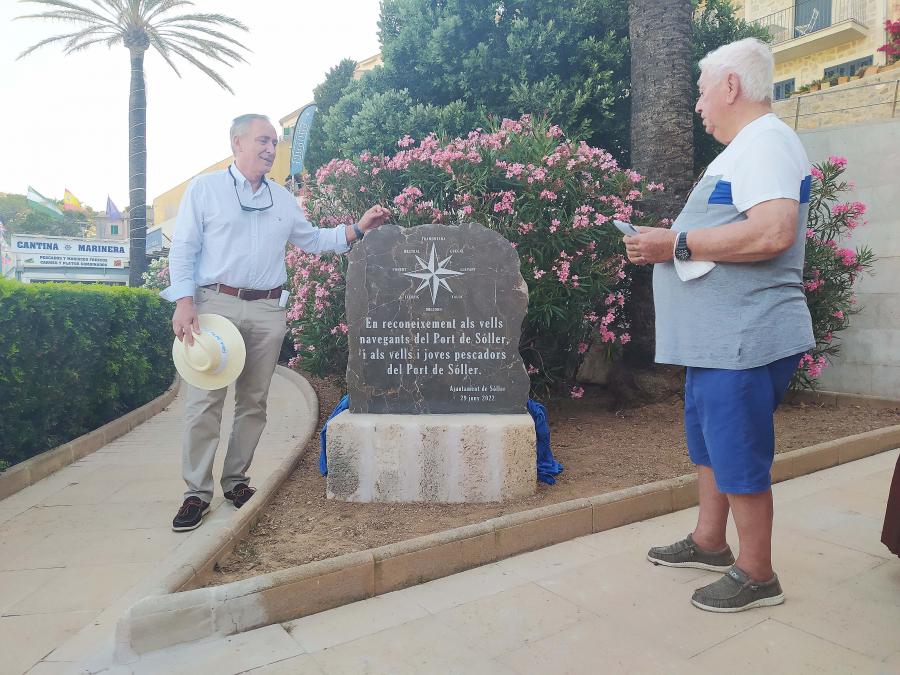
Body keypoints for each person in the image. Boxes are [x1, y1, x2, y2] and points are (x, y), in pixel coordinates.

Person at [623, 38, 814, 612]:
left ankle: (758, 574)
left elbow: (773, 232)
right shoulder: (748, 148)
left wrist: (673, 242)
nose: (699, 106)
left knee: (738, 452)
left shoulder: (767, 143)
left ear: (731, 86)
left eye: (702, 92)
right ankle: (710, 543)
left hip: (745, 341)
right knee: (711, 448)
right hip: (719, 344)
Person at [161, 113, 390, 532]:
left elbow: (313, 240)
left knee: (254, 403)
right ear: (237, 142)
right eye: (263, 141)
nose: (270, 149)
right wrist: (184, 302)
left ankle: (235, 482)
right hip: (214, 306)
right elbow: (185, 249)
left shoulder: (283, 200)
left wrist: (357, 229)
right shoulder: (206, 189)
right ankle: (196, 493)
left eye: (275, 142)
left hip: (267, 310)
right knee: (204, 404)